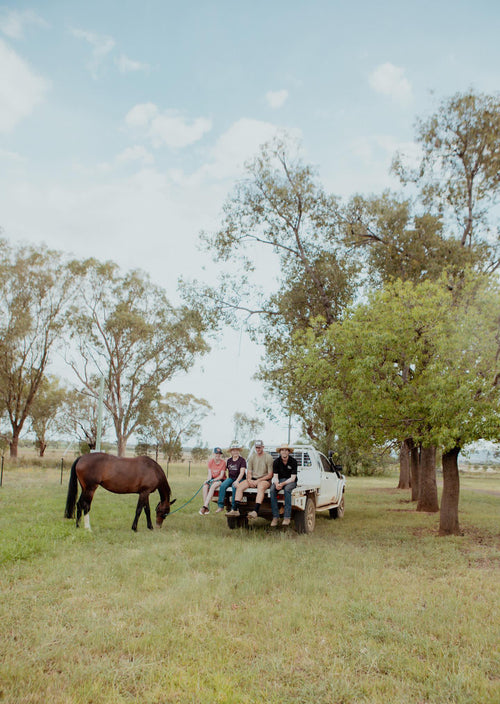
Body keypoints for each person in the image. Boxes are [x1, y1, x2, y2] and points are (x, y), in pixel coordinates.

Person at [231, 440, 273, 519]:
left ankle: (255, 511)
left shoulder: (268, 457)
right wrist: (249, 480)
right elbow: (249, 471)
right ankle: (235, 509)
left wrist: (258, 481)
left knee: (260, 487)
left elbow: (270, 474)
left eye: (259, 447)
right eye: (256, 447)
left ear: (263, 447)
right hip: (253, 479)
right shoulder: (252, 457)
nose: (258, 449)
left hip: (264, 480)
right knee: (239, 486)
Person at [270, 443, 298, 527]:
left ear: (289, 452)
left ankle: (287, 517)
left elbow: (293, 478)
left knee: (287, 490)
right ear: (280, 452)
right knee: (272, 490)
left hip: (290, 481)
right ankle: (275, 517)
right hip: (280, 480)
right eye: (282, 450)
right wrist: (277, 484)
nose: (284, 452)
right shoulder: (276, 462)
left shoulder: (293, 462)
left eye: (286, 450)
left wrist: (282, 484)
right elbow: (275, 477)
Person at [219, 442, 247, 515]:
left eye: (237, 450)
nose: (235, 452)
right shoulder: (229, 460)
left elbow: (242, 472)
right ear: (231, 452)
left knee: (234, 487)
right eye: (233, 450)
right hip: (231, 478)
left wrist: (237, 481)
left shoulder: (242, 460)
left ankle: (234, 508)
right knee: (222, 485)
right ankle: (221, 505)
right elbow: (224, 470)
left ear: (239, 451)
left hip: (240, 478)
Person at [199, 447, 226, 515]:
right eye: (217, 453)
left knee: (213, 486)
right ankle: (206, 507)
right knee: (205, 486)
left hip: (220, 479)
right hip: (212, 479)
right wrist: (207, 480)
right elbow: (209, 474)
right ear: (214, 454)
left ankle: (204, 506)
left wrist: (214, 480)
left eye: (219, 454)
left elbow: (221, 475)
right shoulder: (211, 462)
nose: (218, 455)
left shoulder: (223, 462)